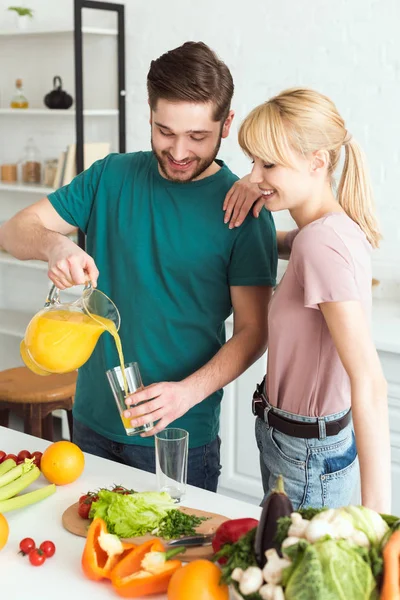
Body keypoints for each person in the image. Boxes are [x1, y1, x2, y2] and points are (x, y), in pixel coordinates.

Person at [0, 42, 277, 492]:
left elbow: (253, 332)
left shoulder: (242, 212)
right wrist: (53, 246)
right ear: (148, 115)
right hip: (90, 423)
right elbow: (14, 229)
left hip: (179, 434)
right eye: (164, 131)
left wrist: (185, 393)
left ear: (226, 124)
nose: (179, 151)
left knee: (170, 558)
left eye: (198, 137)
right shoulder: (111, 176)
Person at [223, 87, 391, 512]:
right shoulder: (325, 231)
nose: (256, 174)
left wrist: (378, 521)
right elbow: (276, 242)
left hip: (306, 455)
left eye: (269, 163)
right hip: (297, 444)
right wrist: (249, 186)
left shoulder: (322, 244)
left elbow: (370, 382)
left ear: (317, 162)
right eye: (253, 161)